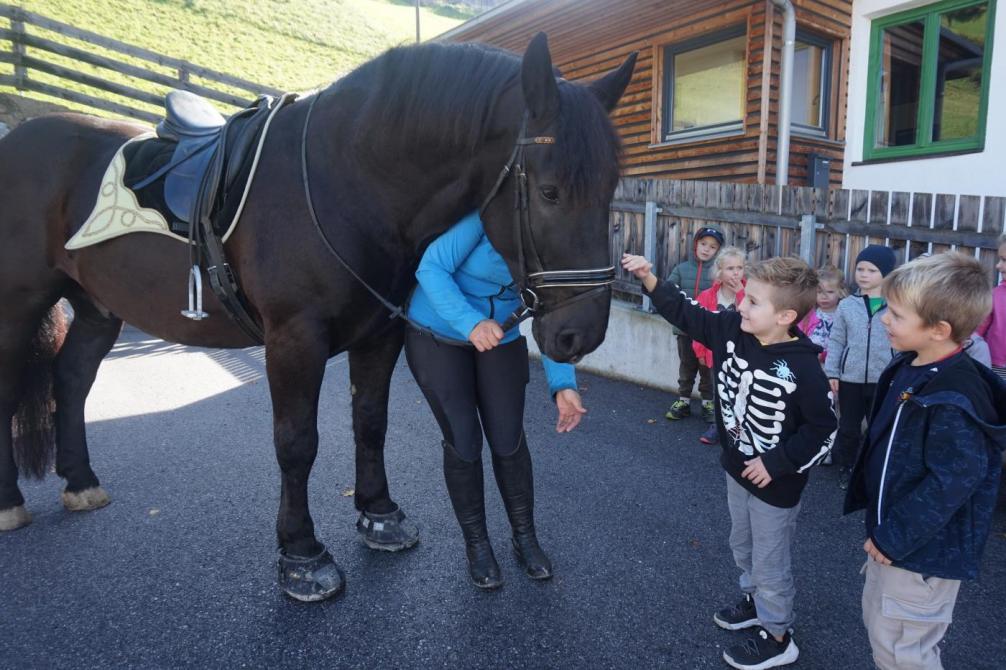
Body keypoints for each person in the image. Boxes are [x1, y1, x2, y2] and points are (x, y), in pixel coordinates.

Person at [621, 253, 837, 670]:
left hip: (777, 484)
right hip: (736, 469)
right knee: (743, 544)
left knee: (771, 559)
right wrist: (649, 277)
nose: (741, 305)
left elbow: (823, 430)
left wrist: (777, 463)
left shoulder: (804, 367)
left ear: (786, 316)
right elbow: (684, 312)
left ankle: (777, 634)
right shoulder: (729, 330)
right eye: (744, 296)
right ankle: (755, 602)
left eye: (754, 302)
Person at [404, 212, 586, 590]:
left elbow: (552, 313)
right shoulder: (486, 217)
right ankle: (478, 547)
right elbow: (432, 268)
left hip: (501, 339)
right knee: (465, 442)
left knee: (508, 439)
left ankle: (524, 539)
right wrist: (470, 322)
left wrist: (563, 383)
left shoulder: (557, 240)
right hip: (437, 333)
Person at [845, 252, 1005, 670]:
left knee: (905, 651)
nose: (883, 318)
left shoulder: (955, 398)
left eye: (895, 313)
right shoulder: (912, 365)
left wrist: (893, 536)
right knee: (885, 634)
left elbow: (954, 481)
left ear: (939, 330)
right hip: (897, 541)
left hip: (919, 552)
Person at [824, 246, 898, 473]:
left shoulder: (896, 306)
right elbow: (836, 341)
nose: (864, 274)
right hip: (850, 379)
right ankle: (847, 466)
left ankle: (873, 467)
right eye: (860, 269)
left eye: (872, 270)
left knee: (878, 426)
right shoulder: (847, 305)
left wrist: (898, 373)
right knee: (848, 427)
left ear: (885, 274)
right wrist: (833, 372)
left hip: (883, 379)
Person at [665, 226, 724, 424]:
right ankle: (683, 401)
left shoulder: (719, 274)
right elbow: (669, 292)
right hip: (684, 330)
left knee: (707, 368)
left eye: (713, 247)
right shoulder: (681, 269)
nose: (706, 249)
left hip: (708, 333)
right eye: (703, 244)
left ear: (718, 251)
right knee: (687, 366)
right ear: (695, 244)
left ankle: (708, 402)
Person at [692, 246, 746, 445]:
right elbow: (698, 327)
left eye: (739, 268)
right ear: (719, 272)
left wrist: (741, 293)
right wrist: (700, 351)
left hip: (743, 354)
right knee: (719, 391)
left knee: (742, 392)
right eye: (730, 268)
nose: (736, 273)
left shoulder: (749, 294)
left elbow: (752, 316)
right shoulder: (707, 296)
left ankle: (740, 427)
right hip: (717, 354)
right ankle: (718, 425)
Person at [798, 266, 845, 365]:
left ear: (841, 292)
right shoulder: (808, 314)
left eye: (830, 292)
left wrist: (824, 355)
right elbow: (799, 336)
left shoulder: (844, 315)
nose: (824, 296)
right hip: (808, 360)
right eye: (819, 292)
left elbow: (844, 342)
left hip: (832, 364)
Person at [976, 233, 1006, 380]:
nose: (998, 265)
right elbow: (977, 332)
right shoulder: (995, 296)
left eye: (1005, 260)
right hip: (997, 366)